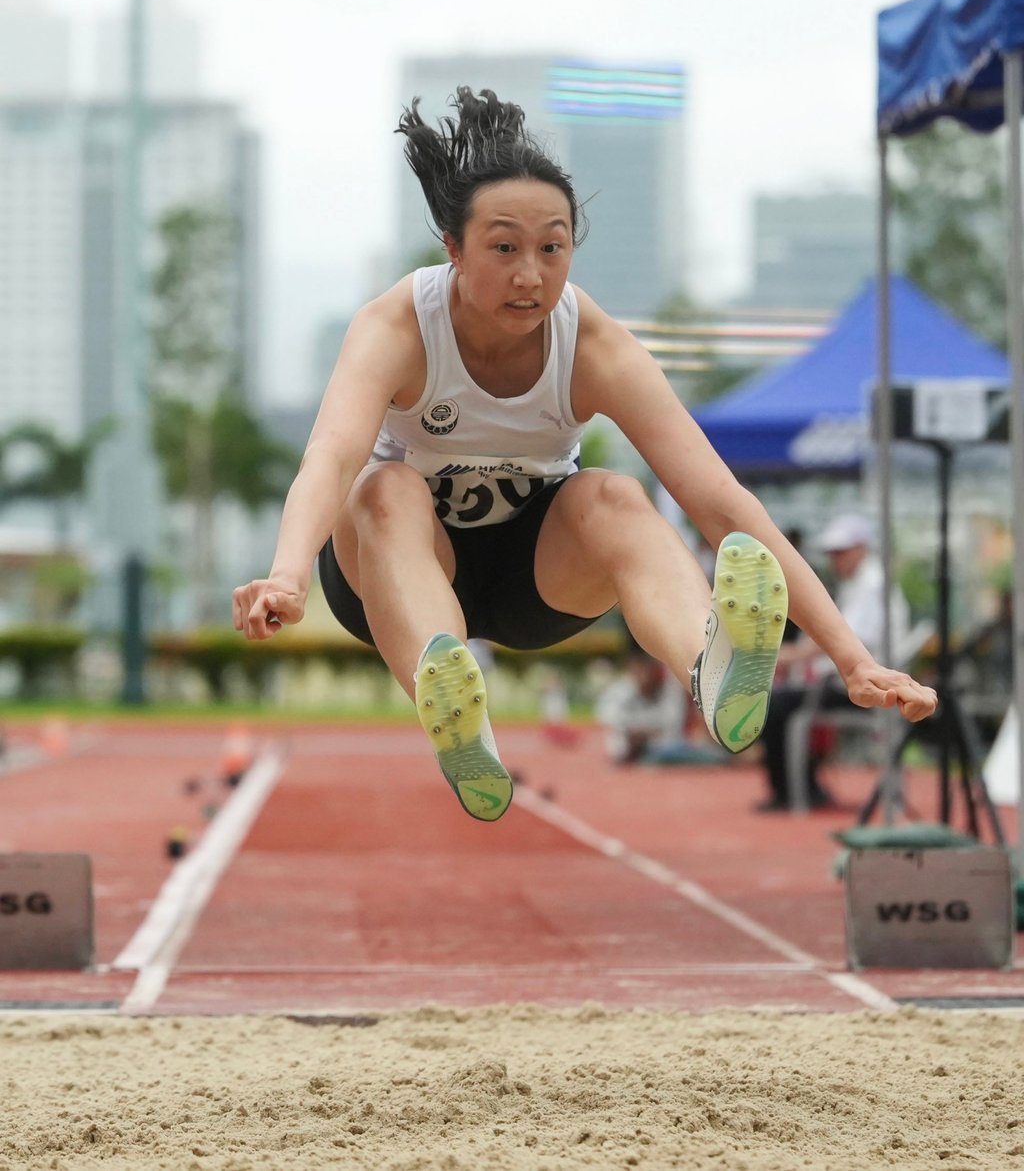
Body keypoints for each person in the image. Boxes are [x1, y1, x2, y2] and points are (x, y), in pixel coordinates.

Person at [231, 87, 937, 824]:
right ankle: (455, 710)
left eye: (552, 248)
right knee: (383, 488)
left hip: (535, 582)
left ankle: (714, 668)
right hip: (393, 572)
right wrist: (286, 573)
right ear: (454, 249)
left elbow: (721, 501)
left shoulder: (592, 345)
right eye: (503, 248)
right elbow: (332, 455)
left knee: (614, 496)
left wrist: (854, 659)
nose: (531, 275)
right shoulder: (398, 326)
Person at [755, 512, 912, 812]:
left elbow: (838, 640)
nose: (835, 560)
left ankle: (792, 791)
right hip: (847, 683)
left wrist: (784, 656)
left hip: (864, 687)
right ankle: (803, 786)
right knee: (786, 702)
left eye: (841, 552)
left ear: (862, 548)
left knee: (777, 705)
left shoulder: (873, 585)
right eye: (832, 554)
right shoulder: (857, 585)